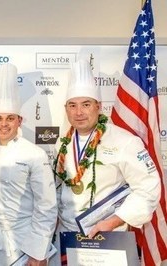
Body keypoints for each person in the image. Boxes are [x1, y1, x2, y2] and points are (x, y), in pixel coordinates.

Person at [51, 59, 161, 264]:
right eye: (72, 105)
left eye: (86, 104)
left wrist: (112, 222)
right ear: (66, 109)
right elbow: (58, 187)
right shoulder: (62, 143)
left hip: (108, 236)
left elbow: (148, 188)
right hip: (67, 235)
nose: (79, 112)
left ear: (99, 106)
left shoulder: (125, 141)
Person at [0, 63, 58, 266]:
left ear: (19, 120)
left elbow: (46, 206)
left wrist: (38, 253)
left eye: (10, 118)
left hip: (23, 242)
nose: (4, 124)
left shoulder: (35, 154)